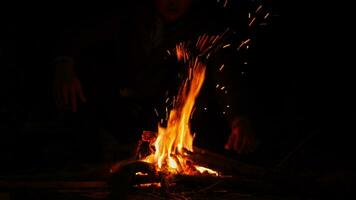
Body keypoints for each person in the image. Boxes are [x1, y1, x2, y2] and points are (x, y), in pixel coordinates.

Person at [53, 0, 257, 161]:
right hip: (121, 103)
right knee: (84, 78)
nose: (173, 1)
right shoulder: (130, 14)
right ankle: (84, 153)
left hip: (162, 111)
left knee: (196, 91)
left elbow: (225, 75)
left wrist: (237, 118)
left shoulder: (202, 28)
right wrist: (65, 62)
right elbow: (80, 32)